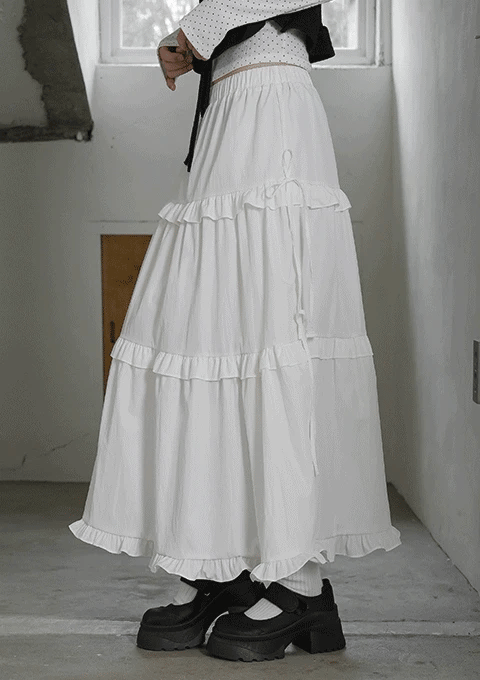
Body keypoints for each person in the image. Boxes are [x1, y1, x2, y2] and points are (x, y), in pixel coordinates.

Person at [69, 0, 402, 663]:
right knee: (210, 334)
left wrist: (190, 33)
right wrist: (196, 39)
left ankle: (300, 583)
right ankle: (220, 562)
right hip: (231, 106)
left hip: (269, 103)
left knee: (273, 332)